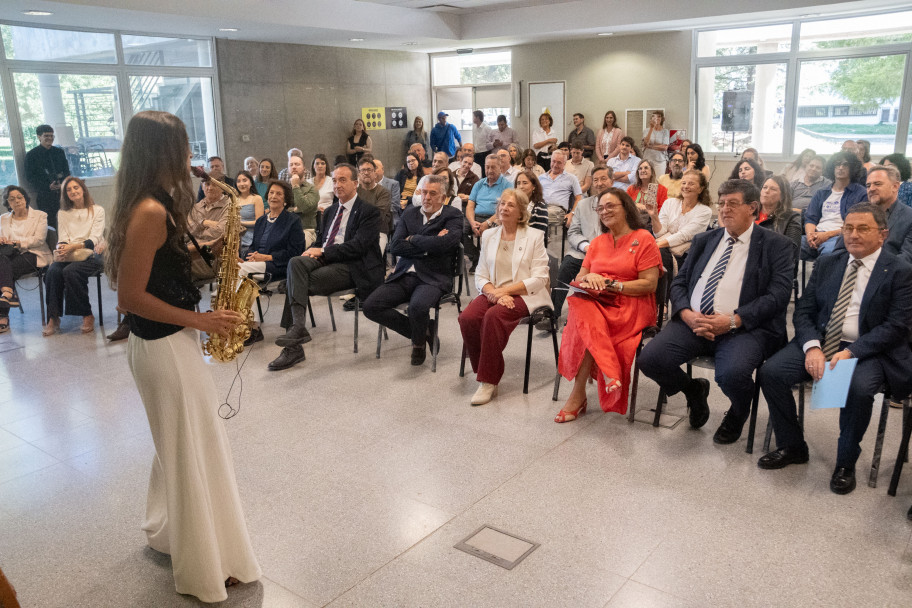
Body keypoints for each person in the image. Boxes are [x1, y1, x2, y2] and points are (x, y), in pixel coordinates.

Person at [104, 110, 260, 602]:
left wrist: (208, 259)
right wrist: (202, 321)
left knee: (180, 446)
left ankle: (176, 534)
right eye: (184, 148)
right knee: (195, 450)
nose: (192, 158)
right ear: (162, 153)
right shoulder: (150, 211)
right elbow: (128, 296)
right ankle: (206, 566)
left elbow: (152, 274)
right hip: (165, 346)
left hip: (164, 344)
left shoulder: (150, 203)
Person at [757, 203, 912, 496]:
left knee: (858, 389)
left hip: (869, 348)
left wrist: (852, 353)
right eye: (848, 228)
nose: (853, 234)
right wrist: (813, 347)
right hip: (822, 340)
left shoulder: (900, 271)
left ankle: (845, 463)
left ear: (883, 234)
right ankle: (792, 446)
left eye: (863, 228)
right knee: (772, 372)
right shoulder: (829, 263)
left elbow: (896, 327)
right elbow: (804, 310)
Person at [638, 179, 794, 444]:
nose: (724, 210)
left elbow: (777, 296)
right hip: (693, 322)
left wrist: (733, 321)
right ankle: (694, 390)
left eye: (733, 204)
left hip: (744, 328)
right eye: (721, 204)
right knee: (650, 359)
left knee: (731, 375)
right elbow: (680, 283)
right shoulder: (705, 240)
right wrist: (686, 313)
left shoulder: (776, 245)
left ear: (752, 207)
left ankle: (737, 412)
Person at [554, 188, 662, 422]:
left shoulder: (644, 239)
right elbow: (581, 276)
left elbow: (649, 284)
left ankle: (578, 394)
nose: (604, 211)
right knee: (580, 304)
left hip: (631, 304)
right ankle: (608, 370)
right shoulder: (597, 242)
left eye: (610, 206)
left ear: (626, 208)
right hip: (598, 302)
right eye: (600, 208)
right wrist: (590, 278)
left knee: (583, 323)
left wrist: (612, 284)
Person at [269, 164, 384, 371]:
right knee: (295, 262)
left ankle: (294, 346)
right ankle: (298, 329)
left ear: (355, 184)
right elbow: (320, 241)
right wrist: (311, 250)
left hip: (353, 266)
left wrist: (322, 252)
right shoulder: (330, 211)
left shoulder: (369, 212)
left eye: (343, 180)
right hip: (327, 260)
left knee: (295, 282)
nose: (337, 184)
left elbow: (359, 246)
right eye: (335, 180)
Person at [458, 188, 550, 406]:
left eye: (510, 205)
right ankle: (484, 367)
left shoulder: (534, 236)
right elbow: (480, 273)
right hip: (495, 291)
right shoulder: (489, 235)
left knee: (493, 317)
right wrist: (494, 292)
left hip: (525, 293)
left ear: (521, 212)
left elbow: (540, 278)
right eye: (501, 204)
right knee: (468, 318)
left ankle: (488, 380)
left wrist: (505, 292)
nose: (503, 208)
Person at [363, 174, 464, 366]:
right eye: (424, 192)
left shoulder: (452, 215)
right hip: (404, 274)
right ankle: (424, 330)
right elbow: (396, 247)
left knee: (417, 307)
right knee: (370, 306)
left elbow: (448, 244)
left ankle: (418, 344)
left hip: (433, 277)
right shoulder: (410, 213)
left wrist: (414, 239)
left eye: (432, 194)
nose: (426, 198)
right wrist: (430, 246)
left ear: (443, 197)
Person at [238, 180, 306, 345]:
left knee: (241, 272)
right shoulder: (261, 221)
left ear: (285, 199)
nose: (274, 196)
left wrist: (267, 257)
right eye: (271, 193)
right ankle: (246, 325)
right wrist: (249, 256)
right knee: (240, 273)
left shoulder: (292, 220)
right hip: (255, 264)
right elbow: (253, 246)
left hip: (279, 266)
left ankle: (251, 328)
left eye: (279, 194)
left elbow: (296, 252)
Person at [43, 176, 105, 336]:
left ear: (83, 189)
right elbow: (62, 238)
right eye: (68, 189)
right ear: (65, 194)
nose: (73, 191)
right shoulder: (63, 213)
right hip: (71, 253)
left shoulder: (97, 210)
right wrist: (61, 248)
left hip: (93, 253)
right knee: (52, 271)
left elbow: (95, 239)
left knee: (71, 271)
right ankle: (53, 317)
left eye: (75, 187)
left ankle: (87, 314)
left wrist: (73, 246)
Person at [552, 167, 613, 318]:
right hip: (583, 252)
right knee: (565, 267)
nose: (599, 183)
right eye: (596, 180)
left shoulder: (620, 204)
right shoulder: (582, 205)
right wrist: (586, 246)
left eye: (603, 179)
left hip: (609, 254)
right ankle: (553, 314)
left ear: (612, 181)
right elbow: (573, 232)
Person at [0, 186, 53, 333]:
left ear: (25, 198)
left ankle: (3, 313)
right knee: (3, 264)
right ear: (7, 203)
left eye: (19, 197)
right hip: (11, 256)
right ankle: (8, 294)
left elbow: (39, 240)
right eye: (12, 199)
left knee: (3, 269)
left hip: (34, 254)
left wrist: (17, 242)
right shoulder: (3, 219)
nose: (16, 201)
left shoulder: (40, 215)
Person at [801, 151, 867, 260]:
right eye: (837, 164)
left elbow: (856, 226)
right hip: (816, 234)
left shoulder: (861, 194)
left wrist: (827, 235)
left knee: (829, 253)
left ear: (852, 168)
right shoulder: (821, 192)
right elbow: (810, 219)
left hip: (839, 237)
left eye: (845, 164)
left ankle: (820, 277)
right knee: (787, 245)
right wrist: (810, 235)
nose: (840, 168)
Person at [649, 169, 714, 265]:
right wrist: (654, 216)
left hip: (683, 257)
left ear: (700, 189)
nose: (686, 187)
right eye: (683, 183)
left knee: (654, 254)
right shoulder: (669, 203)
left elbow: (683, 236)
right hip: (662, 248)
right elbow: (660, 234)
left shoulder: (705, 211)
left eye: (691, 184)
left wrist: (654, 246)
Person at [465, 155, 510, 269]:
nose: (489, 171)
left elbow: (504, 210)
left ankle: (489, 262)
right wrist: (472, 222)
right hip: (476, 217)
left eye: (493, 167)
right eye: (487, 167)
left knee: (496, 229)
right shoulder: (479, 184)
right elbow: (470, 206)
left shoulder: (507, 185)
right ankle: (476, 257)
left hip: (496, 218)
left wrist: (487, 223)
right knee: (456, 228)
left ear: (500, 167)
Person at [24, 124, 71, 229]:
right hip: (45, 197)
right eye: (46, 136)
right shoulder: (31, 155)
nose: (50, 138)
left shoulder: (59, 152)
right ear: (39, 137)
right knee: (51, 226)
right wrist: (47, 186)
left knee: (67, 223)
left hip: (63, 194)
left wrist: (63, 183)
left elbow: (67, 171)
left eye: (51, 136)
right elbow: (30, 178)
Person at [187, 179, 229, 280]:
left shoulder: (229, 206)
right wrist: (204, 223)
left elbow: (220, 232)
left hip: (213, 257)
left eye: (214, 185)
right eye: (207, 184)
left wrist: (197, 231)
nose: (209, 188)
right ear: (202, 186)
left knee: (176, 266)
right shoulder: (196, 207)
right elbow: (186, 232)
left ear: (222, 188)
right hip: (191, 252)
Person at [357, 158, 393, 252]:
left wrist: (359, 214)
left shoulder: (383, 192)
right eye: (363, 170)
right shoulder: (355, 192)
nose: (366, 173)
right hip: (357, 230)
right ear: (359, 174)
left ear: (374, 173)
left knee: (372, 258)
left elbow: (378, 215)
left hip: (378, 231)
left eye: (369, 170)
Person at [758, 176, 802, 251]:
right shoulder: (750, 213)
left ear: (782, 196)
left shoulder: (792, 218)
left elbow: (790, 249)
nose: (767, 191)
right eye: (764, 187)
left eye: (773, 189)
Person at [285, 155, 319, 248]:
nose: (294, 167)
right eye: (291, 165)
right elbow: (280, 210)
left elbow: (304, 206)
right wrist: (295, 210)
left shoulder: (312, 189)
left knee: (298, 249)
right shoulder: (284, 189)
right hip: (286, 230)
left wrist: (295, 186)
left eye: (297, 164)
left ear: (304, 168)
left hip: (306, 230)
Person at [235, 170, 264, 258]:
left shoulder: (256, 198)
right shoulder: (234, 199)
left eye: (244, 180)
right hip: (236, 239)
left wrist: (241, 223)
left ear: (251, 182)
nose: (241, 184)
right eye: (238, 181)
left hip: (251, 239)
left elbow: (259, 222)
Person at [514, 170, 549, 240]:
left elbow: (539, 235)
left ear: (533, 187)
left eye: (525, 183)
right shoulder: (512, 203)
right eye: (518, 183)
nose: (521, 186)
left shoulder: (540, 207)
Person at [641, 110, 669, 176]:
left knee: (658, 180)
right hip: (648, 159)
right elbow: (645, 144)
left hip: (660, 161)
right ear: (651, 119)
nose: (657, 118)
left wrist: (650, 146)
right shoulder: (646, 130)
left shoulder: (665, 131)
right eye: (654, 116)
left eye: (659, 116)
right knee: (647, 179)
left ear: (662, 119)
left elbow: (664, 147)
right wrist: (651, 128)